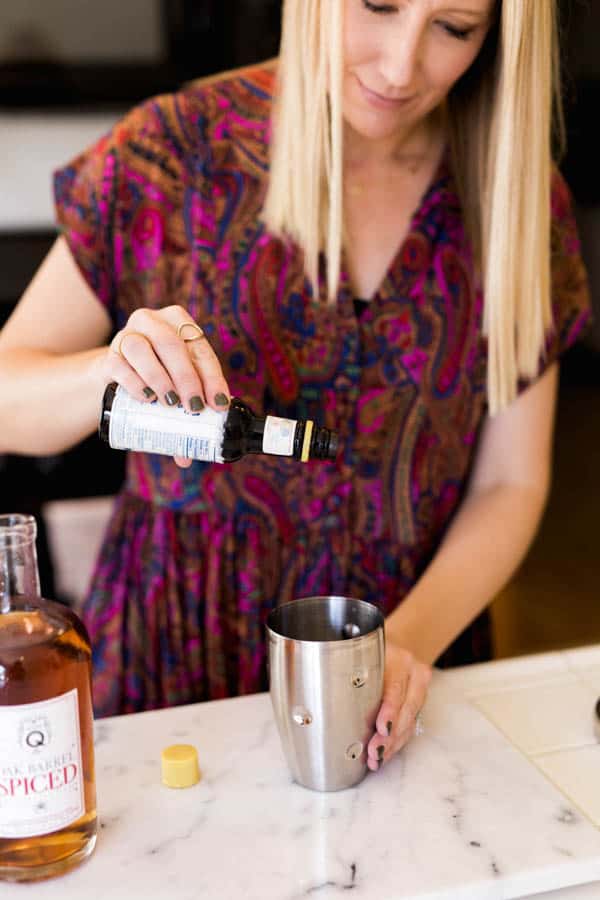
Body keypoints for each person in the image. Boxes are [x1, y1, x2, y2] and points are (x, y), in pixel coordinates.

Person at [0, 0, 591, 773]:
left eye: (455, 27)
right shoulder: (173, 151)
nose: (400, 65)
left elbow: (511, 482)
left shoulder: (517, 199)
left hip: (398, 667)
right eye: (378, 5)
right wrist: (107, 372)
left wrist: (404, 641)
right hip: (174, 661)